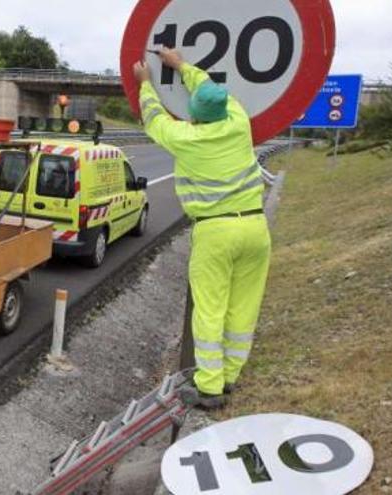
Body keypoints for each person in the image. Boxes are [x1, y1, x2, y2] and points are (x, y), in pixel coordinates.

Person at [134, 48, 271, 410]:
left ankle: (209, 387)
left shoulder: (186, 138)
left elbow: (153, 119)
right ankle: (228, 377)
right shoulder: (239, 120)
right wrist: (181, 65)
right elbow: (209, 85)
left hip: (215, 231)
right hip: (256, 226)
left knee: (210, 308)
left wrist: (146, 83)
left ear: (195, 115)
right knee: (244, 307)